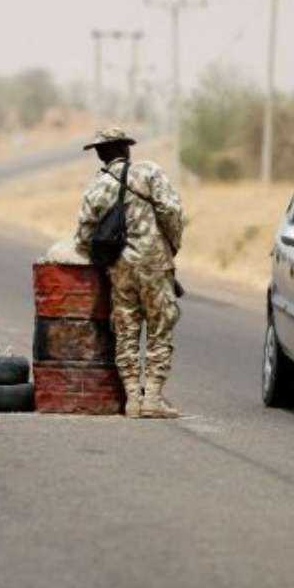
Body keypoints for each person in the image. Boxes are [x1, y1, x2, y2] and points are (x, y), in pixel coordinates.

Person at [75, 127, 184, 419]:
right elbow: (172, 211)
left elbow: (83, 236)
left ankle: (133, 399)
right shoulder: (149, 173)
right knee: (160, 326)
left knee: (126, 329)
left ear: (100, 154)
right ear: (126, 150)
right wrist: (171, 246)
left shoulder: (96, 188)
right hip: (154, 262)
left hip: (119, 268)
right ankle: (154, 398)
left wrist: (106, 260)